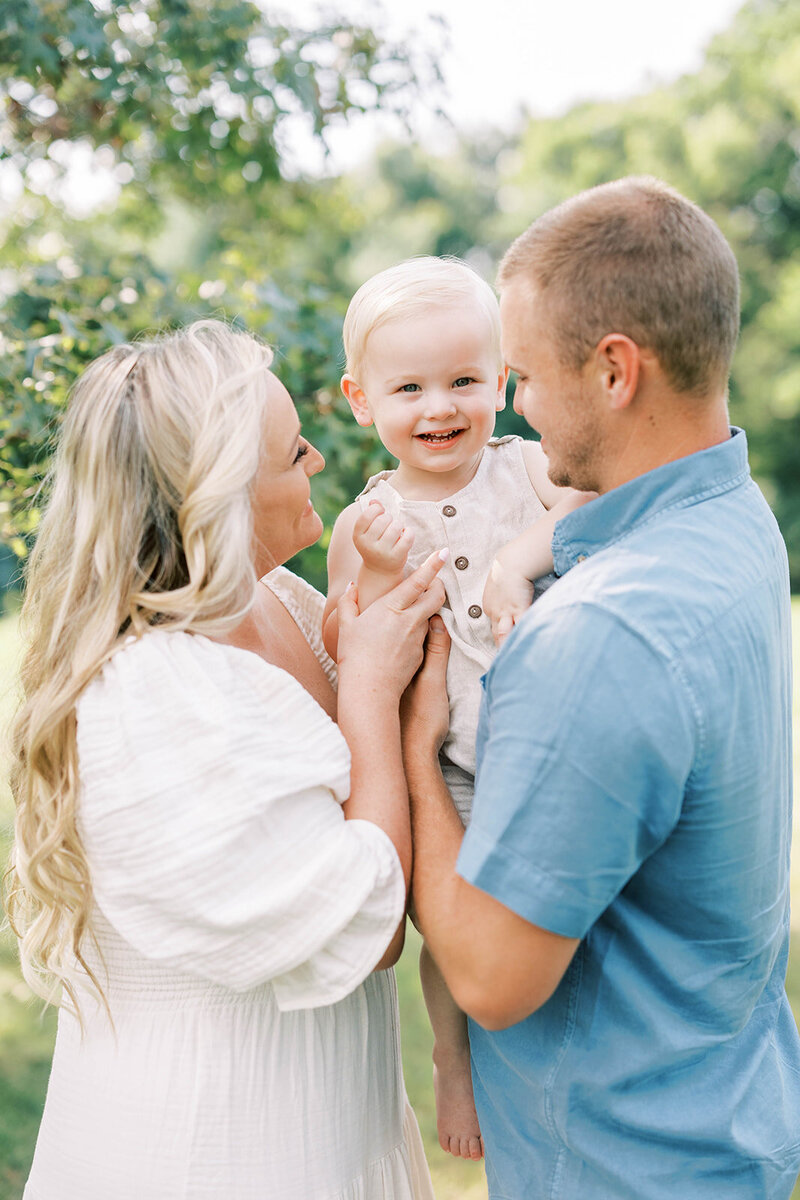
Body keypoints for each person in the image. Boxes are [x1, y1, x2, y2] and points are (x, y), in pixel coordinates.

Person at [402, 177, 800, 1198]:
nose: (516, 407)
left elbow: (491, 978)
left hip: (616, 1166)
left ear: (614, 370)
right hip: (722, 1125)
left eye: (523, 376)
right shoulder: (730, 516)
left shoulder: (596, 635)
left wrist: (407, 745)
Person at [6, 319, 446, 1200]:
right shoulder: (151, 692)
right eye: (293, 453)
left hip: (336, 1124)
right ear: (221, 494)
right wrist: (367, 687)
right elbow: (364, 929)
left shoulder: (281, 598)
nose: (320, 461)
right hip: (216, 1147)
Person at [323, 256, 592, 1160]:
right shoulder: (366, 519)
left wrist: (521, 555)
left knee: (560, 909)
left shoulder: (527, 469)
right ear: (363, 401)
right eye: (410, 388)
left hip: (542, 738)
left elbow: (597, 506)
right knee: (454, 919)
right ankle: (451, 1056)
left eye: (464, 381)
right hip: (446, 761)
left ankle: (574, 1042)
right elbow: (348, 636)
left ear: (504, 382)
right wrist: (384, 569)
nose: (439, 407)